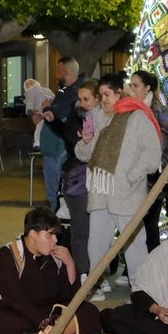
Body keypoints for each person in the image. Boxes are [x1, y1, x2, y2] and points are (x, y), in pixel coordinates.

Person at [0, 207, 102, 334]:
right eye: (49, 235)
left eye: (56, 235)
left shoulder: (55, 257)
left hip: (47, 313)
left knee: (89, 310)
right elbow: (15, 299)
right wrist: (43, 321)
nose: (55, 240)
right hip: (16, 309)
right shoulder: (9, 254)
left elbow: (70, 298)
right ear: (33, 234)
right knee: (3, 321)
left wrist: (70, 264)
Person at [75, 73, 162, 288]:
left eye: (106, 95)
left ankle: (141, 289)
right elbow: (85, 155)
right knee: (96, 243)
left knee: (133, 244)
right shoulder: (96, 117)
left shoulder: (138, 117)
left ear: (119, 93)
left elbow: (152, 155)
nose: (102, 99)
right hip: (100, 192)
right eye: (101, 95)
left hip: (127, 194)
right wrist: (85, 143)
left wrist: (130, 176)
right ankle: (94, 285)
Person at [126, 71, 168, 252]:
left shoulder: (161, 114)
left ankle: (152, 266)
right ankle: (132, 267)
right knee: (130, 224)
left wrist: (159, 172)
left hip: (152, 179)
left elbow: (166, 148)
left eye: (136, 85)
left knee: (148, 224)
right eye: (130, 85)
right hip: (129, 177)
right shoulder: (129, 110)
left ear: (147, 88)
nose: (131, 89)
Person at [59, 81, 99, 288]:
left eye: (87, 99)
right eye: (80, 99)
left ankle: (96, 274)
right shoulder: (75, 117)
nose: (82, 103)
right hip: (77, 181)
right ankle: (83, 274)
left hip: (99, 181)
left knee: (98, 231)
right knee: (81, 229)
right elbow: (72, 143)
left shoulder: (102, 118)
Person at [38, 60, 80, 209]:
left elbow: (60, 118)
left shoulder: (73, 95)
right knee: (53, 193)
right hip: (53, 150)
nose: (57, 75)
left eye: (59, 71)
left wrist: (48, 107)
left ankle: (55, 225)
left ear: (66, 73)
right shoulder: (63, 92)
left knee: (56, 194)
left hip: (59, 151)